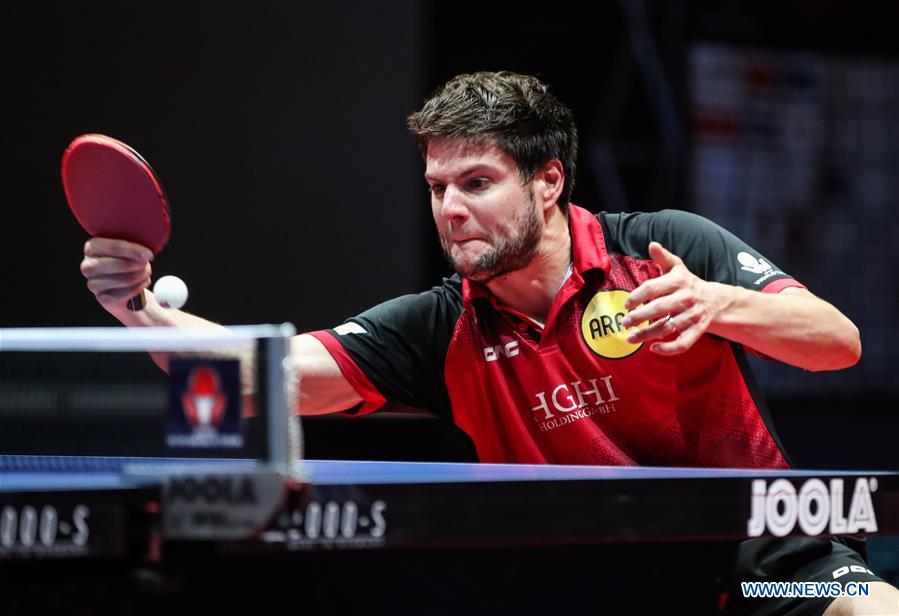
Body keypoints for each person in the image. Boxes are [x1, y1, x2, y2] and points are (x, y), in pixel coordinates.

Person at [81, 71, 897, 615]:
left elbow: (836, 342)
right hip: (594, 587)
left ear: (547, 182)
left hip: (765, 573)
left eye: (476, 183)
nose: (450, 209)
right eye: (437, 187)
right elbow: (263, 379)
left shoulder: (662, 249)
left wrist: (719, 304)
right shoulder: (439, 328)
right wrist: (137, 310)